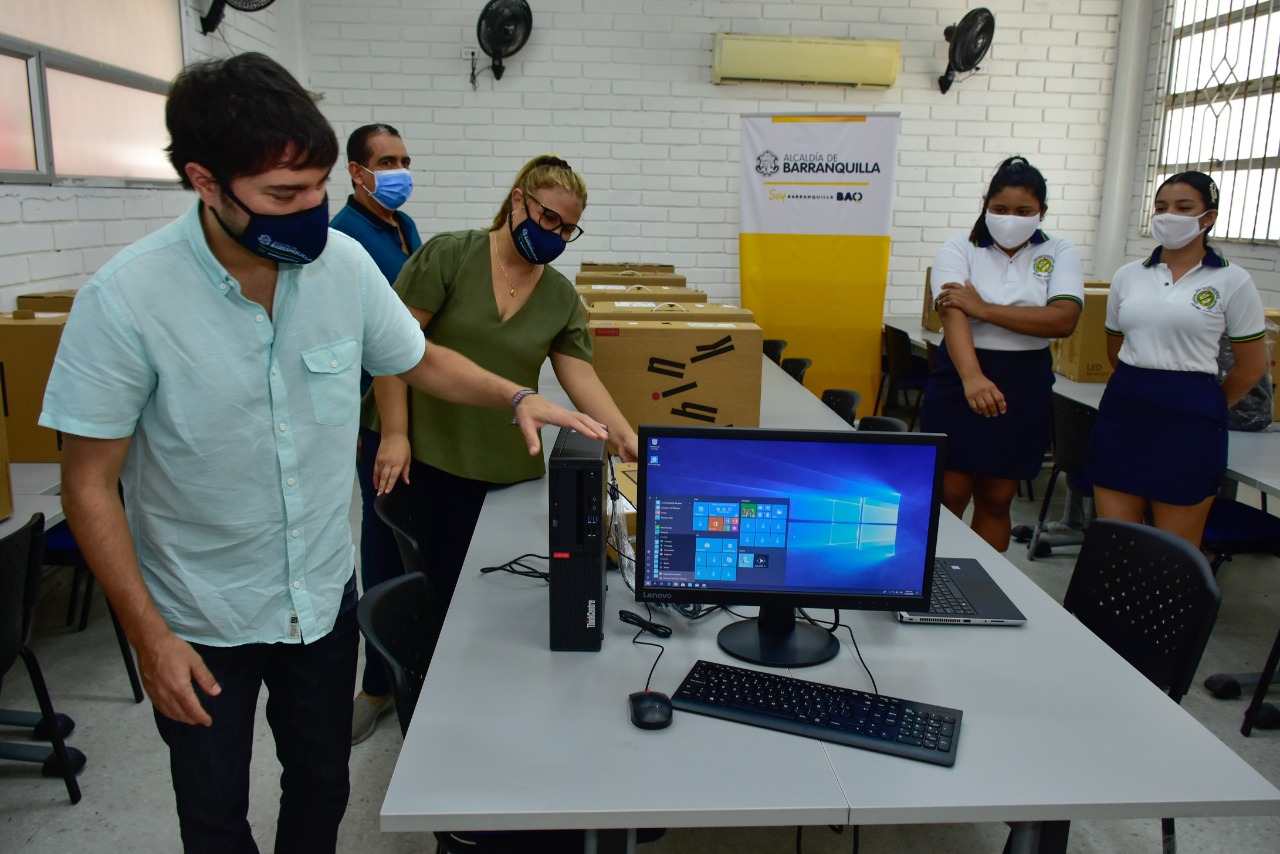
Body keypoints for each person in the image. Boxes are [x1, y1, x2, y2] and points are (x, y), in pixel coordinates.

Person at [38, 53, 605, 854]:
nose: (311, 211)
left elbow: (415, 356)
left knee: (321, 789)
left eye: (319, 188)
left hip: (321, 601)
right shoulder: (127, 299)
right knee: (212, 812)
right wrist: (148, 637)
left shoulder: (339, 267)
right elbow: (89, 485)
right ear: (206, 182)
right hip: (201, 618)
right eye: (282, 195)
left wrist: (515, 394)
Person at [363, 154, 639, 624]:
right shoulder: (451, 255)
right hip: (418, 446)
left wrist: (623, 434)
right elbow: (395, 347)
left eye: (567, 228)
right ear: (518, 200)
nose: (554, 234)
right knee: (404, 572)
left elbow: (581, 375)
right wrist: (394, 433)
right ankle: (384, 685)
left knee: (470, 585)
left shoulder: (559, 297)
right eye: (548, 217)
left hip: (495, 458)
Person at [1086, 171, 1267, 547]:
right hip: (1124, 411)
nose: (1169, 216)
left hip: (1190, 421)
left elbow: (1252, 368)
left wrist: (1206, 405)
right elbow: (1114, 350)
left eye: (1184, 208)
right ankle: (1113, 608)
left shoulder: (1233, 281)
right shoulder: (1128, 276)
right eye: (1161, 207)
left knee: (1173, 551)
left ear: (1208, 217)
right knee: (1117, 543)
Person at [920, 156, 1083, 551]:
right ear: (985, 204)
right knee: (949, 492)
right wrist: (972, 377)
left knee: (997, 495)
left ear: (1041, 211)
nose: (1011, 218)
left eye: (1024, 211)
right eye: (1000, 209)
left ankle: (982, 585)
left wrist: (985, 309)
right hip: (961, 373)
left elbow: (1062, 319)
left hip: (1023, 380)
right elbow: (953, 314)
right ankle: (932, 580)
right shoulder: (960, 247)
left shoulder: (1059, 251)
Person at [329, 123, 424, 745]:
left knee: (415, 536)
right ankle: (375, 685)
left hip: (416, 410)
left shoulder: (403, 227)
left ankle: (409, 666)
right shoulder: (342, 237)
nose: (399, 171)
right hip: (375, 417)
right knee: (384, 540)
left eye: (405, 159)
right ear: (356, 171)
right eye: (386, 161)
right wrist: (392, 429)